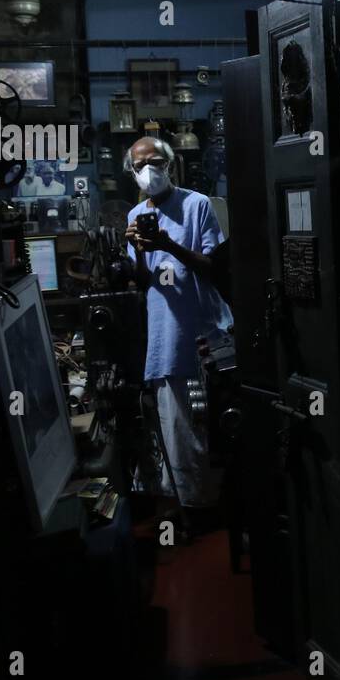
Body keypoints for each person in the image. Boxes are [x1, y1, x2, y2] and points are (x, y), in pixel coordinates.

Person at [122, 137, 232, 527]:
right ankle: (183, 500)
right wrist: (136, 249)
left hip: (197, 328)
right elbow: (141, 280)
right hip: (163, 331)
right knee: (172, 424)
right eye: (140, 165)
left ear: (171, 165)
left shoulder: (197, 204)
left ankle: (201, 505)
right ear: (131, 172)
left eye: (155, 161)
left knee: (197, 421)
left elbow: (212, 265)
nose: (148, 170)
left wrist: (168, 242)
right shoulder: (136, 214)